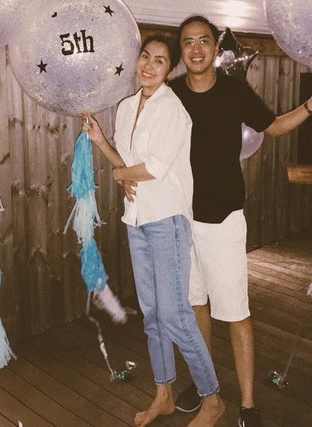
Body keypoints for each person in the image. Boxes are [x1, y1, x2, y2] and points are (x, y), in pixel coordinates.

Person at [168, 15, 312, 427]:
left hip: (223, 218)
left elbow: (274, 127)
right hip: (180, 218)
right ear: (181, 51)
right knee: (195, 306)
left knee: (235, 312)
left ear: (214, 48)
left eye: (203, 40)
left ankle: (246, 403)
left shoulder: (233, 91)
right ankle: (206, 387)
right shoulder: (169, 95)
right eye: (188, 42)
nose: (196, 49)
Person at [83, 34, 225, 427]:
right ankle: (164, 395)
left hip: (167, 220)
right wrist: (101, 141)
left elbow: (155, 168)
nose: (149, 65)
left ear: (170, 68)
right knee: (152, 315)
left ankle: (213, 400)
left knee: (176, 315)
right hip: (137, 219)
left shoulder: (173, 109)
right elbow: (127, 163)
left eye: (159, 60)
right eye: (145, 56)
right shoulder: (127, 106)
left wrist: (119, 175)